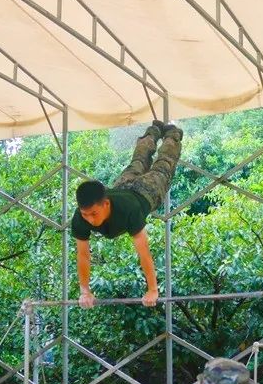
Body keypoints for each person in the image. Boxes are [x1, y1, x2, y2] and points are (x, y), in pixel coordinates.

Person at [73, 120, 183, 309]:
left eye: (94, 214)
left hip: (146, 192)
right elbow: (83, 255)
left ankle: (172, 133)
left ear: (106, 203)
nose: (90, 219)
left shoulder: (129, 211)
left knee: (163, 165)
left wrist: (153, 289)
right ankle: (154, 130)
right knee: (138, 161)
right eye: (85, 214)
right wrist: (85, 290)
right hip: (123, 185)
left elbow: (143, 251)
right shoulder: (80, 218)